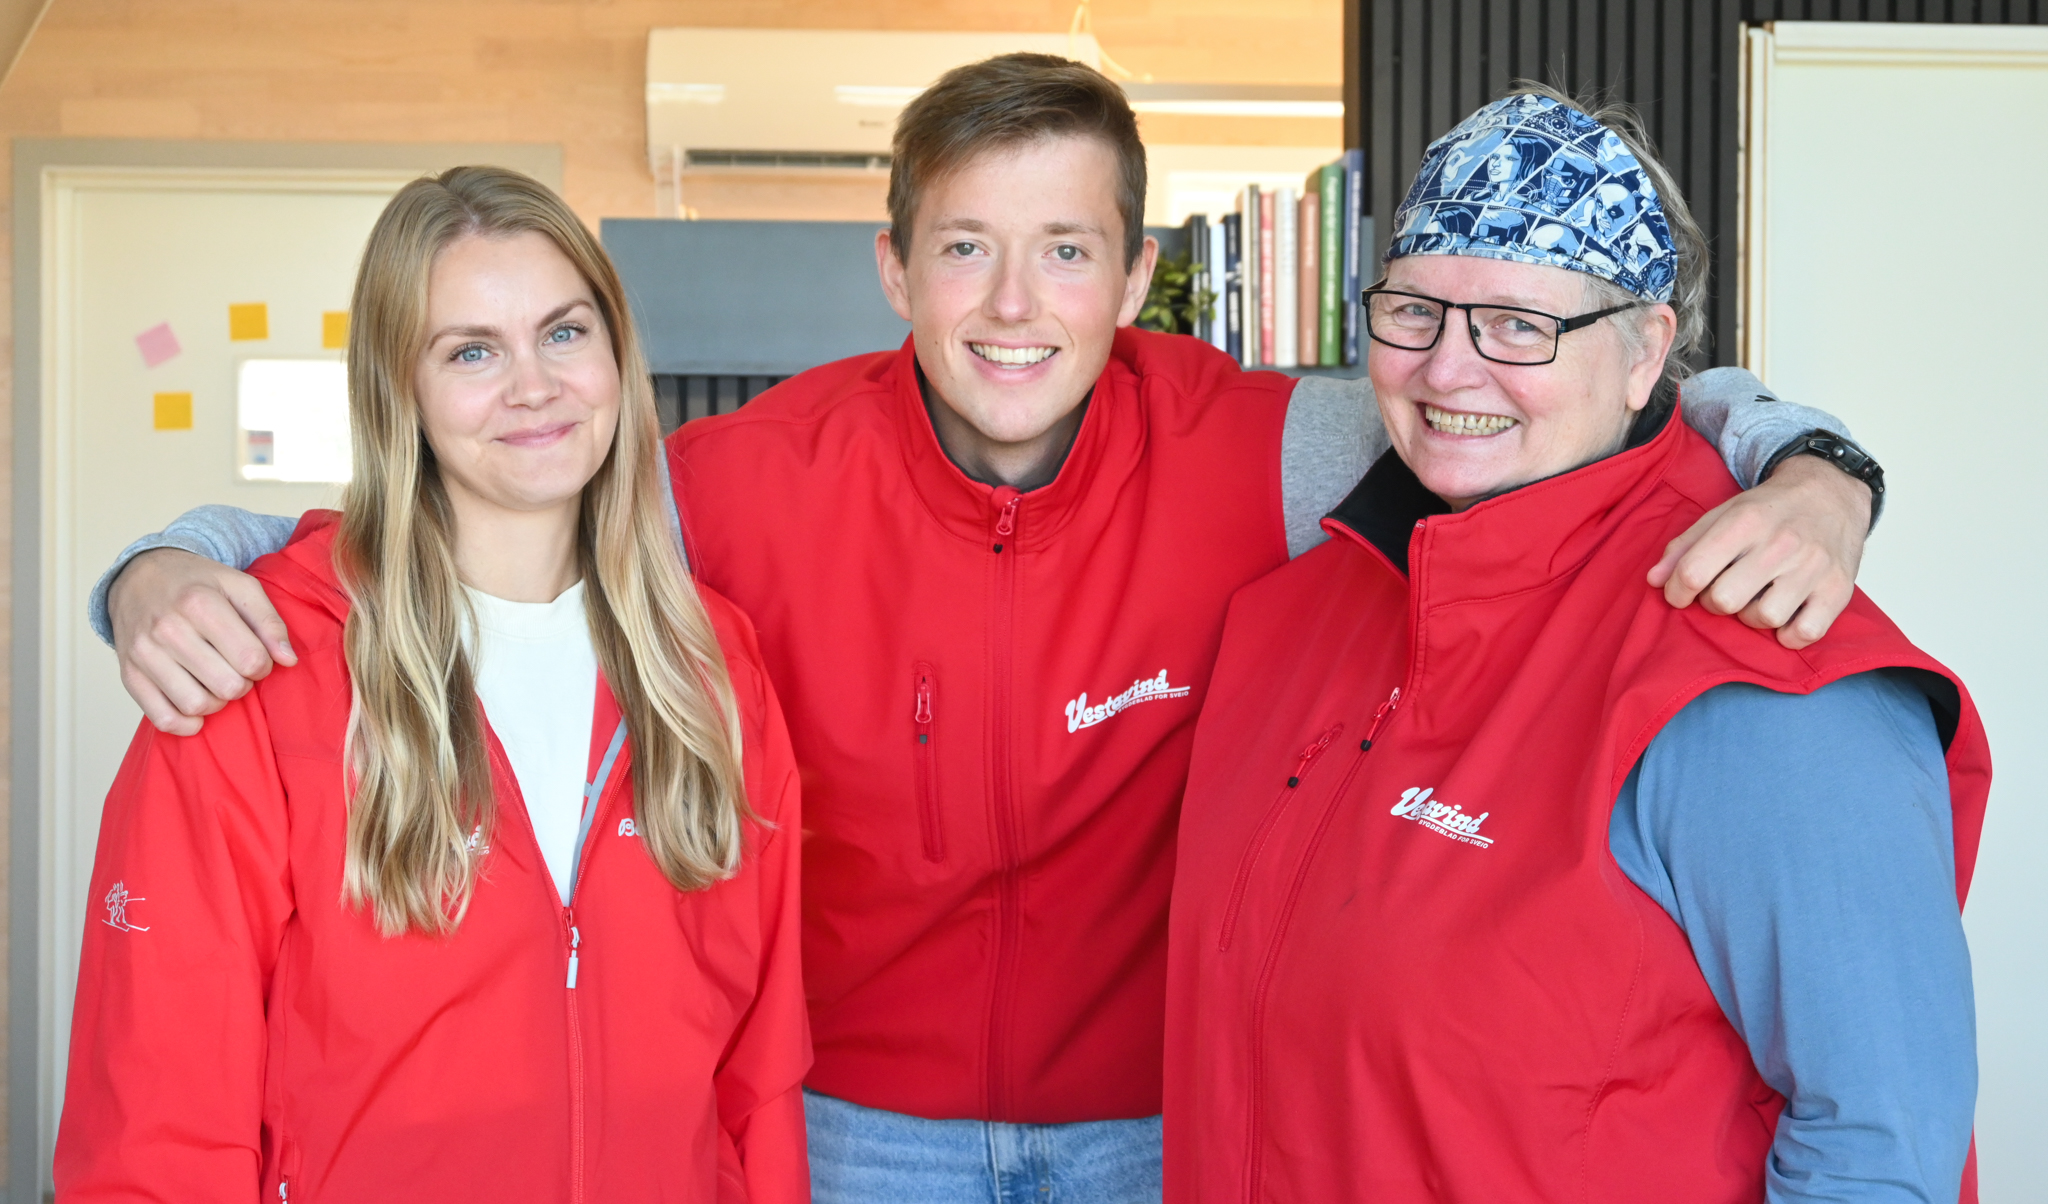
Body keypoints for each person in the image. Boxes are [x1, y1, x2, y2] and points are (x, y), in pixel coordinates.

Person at [89, 58, 1882, 1199]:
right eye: (962, 249)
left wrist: (1803, 457)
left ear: (1137, 267)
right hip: (855, 1131)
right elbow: (480, 495)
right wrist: (170, 561)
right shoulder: (749, 478)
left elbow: (1520, 379)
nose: (1014, 306)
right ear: (891, 270)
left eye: (1065, 251)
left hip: (1149, 1129)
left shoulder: (1272, 446)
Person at [1164, 88, 1988, 1204]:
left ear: (1648, 352)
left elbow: (1880, 1149)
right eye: (1413, 310)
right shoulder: (1309, 604)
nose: (1447, 370)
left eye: (1519, 324)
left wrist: (1822, 473)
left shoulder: (1761, 668)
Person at [54, 167, 810, 1202]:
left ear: (616, 350)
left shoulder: (709, 665)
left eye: (564, 331)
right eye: (470, 352)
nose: (533, 386)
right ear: (395, 387)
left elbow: (756, 1078)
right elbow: (156, 1124)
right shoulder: (255, 671)